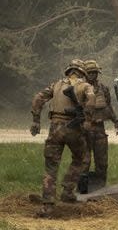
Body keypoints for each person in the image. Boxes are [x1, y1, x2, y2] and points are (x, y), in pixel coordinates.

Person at [30, 59, 95, 216]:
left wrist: (36, 121)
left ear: (68, 71)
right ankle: (67, 190)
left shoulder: (56, 85)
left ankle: (48, 206)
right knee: (82, 157)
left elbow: (38, 98)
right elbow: (91, 100)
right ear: (82, 73)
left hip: (55, 128)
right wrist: (87, 119)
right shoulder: (85, 86)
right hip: (74, 129)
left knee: (51, 166)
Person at [80, 59, 118, 192]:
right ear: (85, 74)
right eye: (90, 72)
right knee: (84, 161)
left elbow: (108, 107)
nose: (93, 75)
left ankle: (100, 188)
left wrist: (116, 122)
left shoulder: (103, 89)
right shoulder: (80, 89)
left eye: (95, 72)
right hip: (85, 129)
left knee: (102, 161)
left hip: (100, 129)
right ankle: (82, 189)